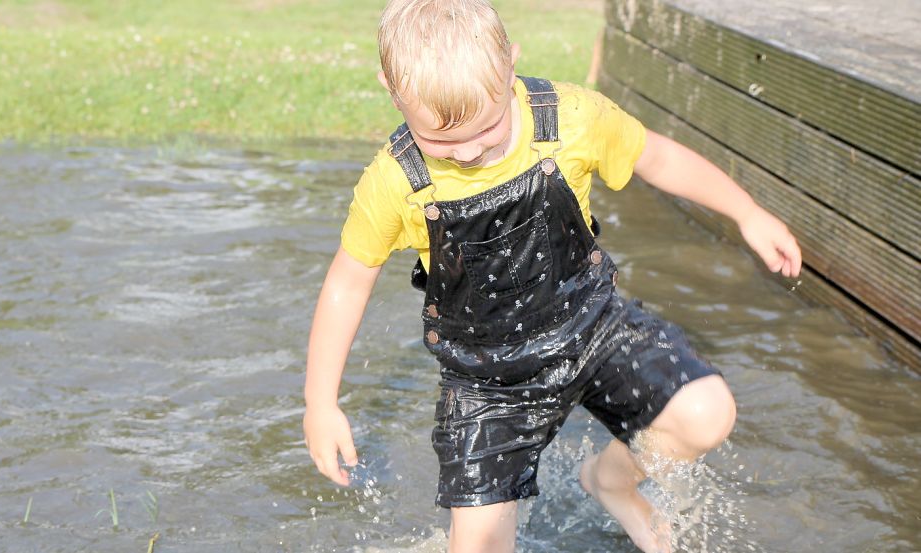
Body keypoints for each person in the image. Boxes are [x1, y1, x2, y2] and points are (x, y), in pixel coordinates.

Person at [303, 0, 802, 551]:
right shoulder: (396, 181)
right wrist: (320, 404)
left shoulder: (571, 120)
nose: (468, 152)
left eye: (489, 129)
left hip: (593, 329)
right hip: (488, 381)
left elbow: (656, 158)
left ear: (511, 65)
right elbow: (347, 283)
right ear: (392, 93)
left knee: (705, 412)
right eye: (443, 142)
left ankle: (611, 480)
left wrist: (747, 212)